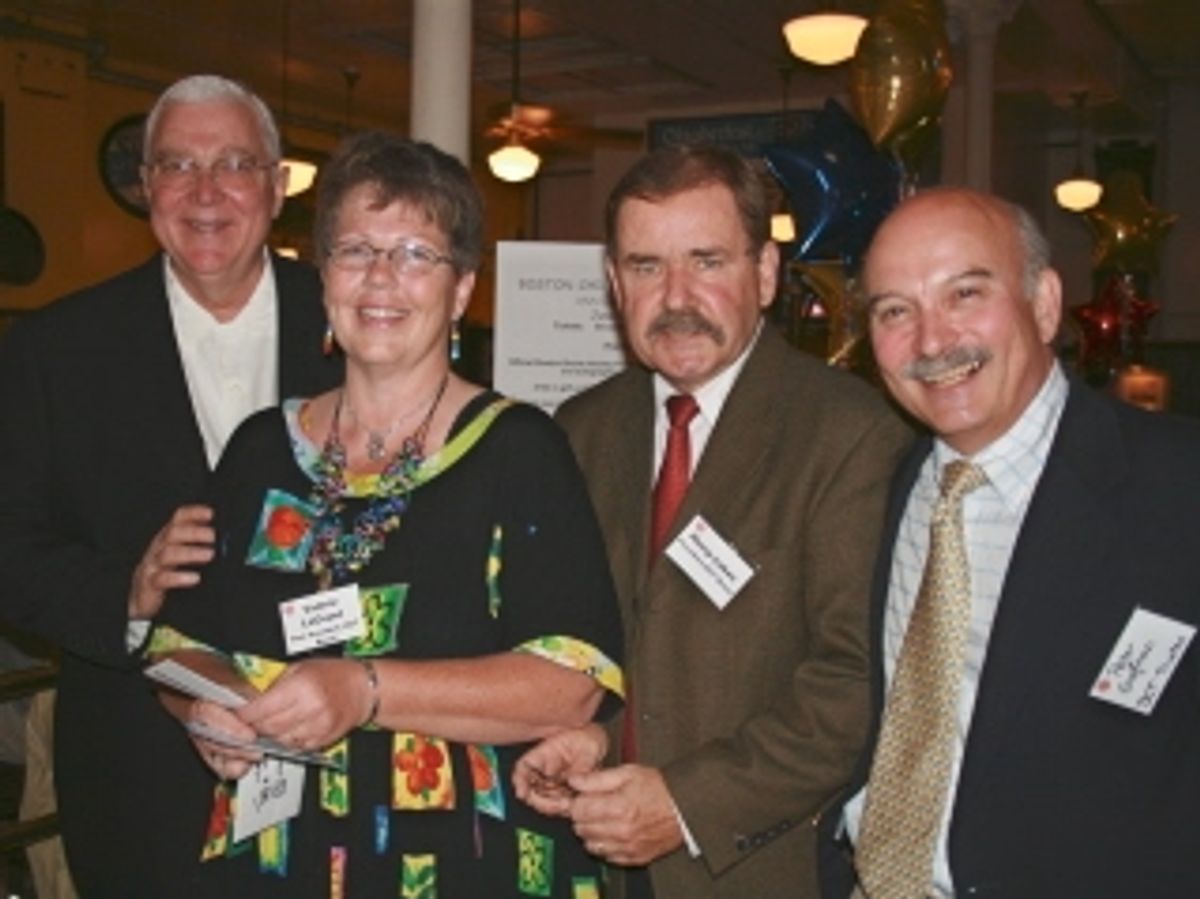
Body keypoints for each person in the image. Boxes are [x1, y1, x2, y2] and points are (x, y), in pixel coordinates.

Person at [147, 131, 625, 897]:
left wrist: (364, 689)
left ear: (462, 288)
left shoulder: (519, 450)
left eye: (414, 254)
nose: (380, 278)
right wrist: (210, 705)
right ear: (325, 273)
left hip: (464, 855)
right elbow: (177, 640)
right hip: (281, 851)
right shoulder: (260, 451)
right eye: (356, 249)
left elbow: (571, 680)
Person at [513, 144, 912, 899]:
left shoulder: (850, 432)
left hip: (752, 868)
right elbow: (599, 639)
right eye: (645, 266)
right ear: (611, 282)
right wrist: (598, 737)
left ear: (765, 273)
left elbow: (851, 682)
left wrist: (685, 803)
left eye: (707, 261)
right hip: (590, 861)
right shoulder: (580, 429)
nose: (676, 297)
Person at [0, 74, 340, 897]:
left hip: (331, 750)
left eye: (232, 162)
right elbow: (9, 546)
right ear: (146, 186)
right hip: (135, 774)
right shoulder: (54, 348)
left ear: (277, 182)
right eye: (177, 165)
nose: (205, 191)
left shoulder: (352, 325)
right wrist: (127, 589)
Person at [827, 187, 1200, 899]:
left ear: (1047, 303)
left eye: (965, 293)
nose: (932, 341)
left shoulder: (1180, 491)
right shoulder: (880, 484)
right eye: (895, 311)